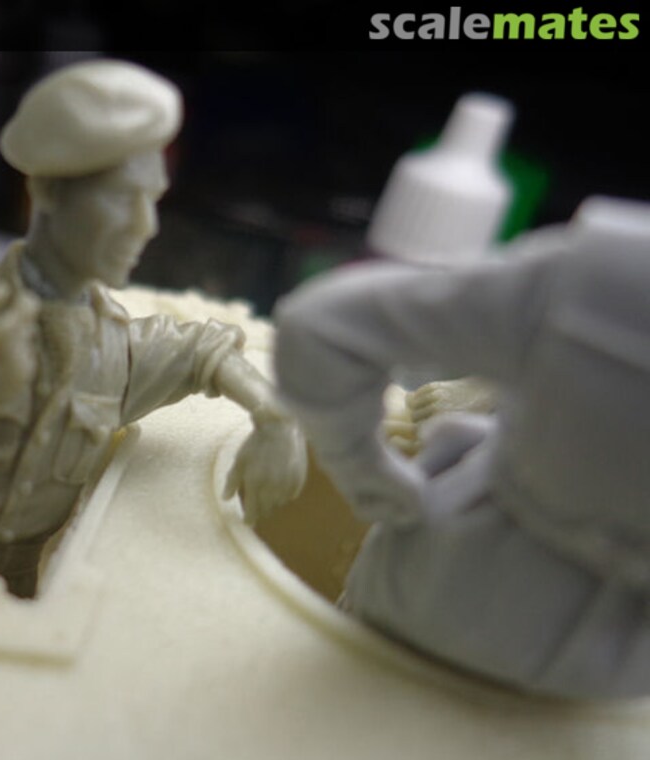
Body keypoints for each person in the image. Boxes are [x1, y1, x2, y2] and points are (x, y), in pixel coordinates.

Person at [0, 60, 305, 598]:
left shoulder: (112, 348)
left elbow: (202, 352)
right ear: (47, 191)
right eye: (122, 199)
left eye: (151, 201)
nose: (145, 226)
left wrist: (275, 416)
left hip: (11, 592)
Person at [274, 196, 650, 698]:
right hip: (472, 625)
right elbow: (325, 330)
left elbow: (323, 327)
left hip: (450, 598)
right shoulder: (615, 277)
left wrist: (364, 472)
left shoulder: (613, 278)